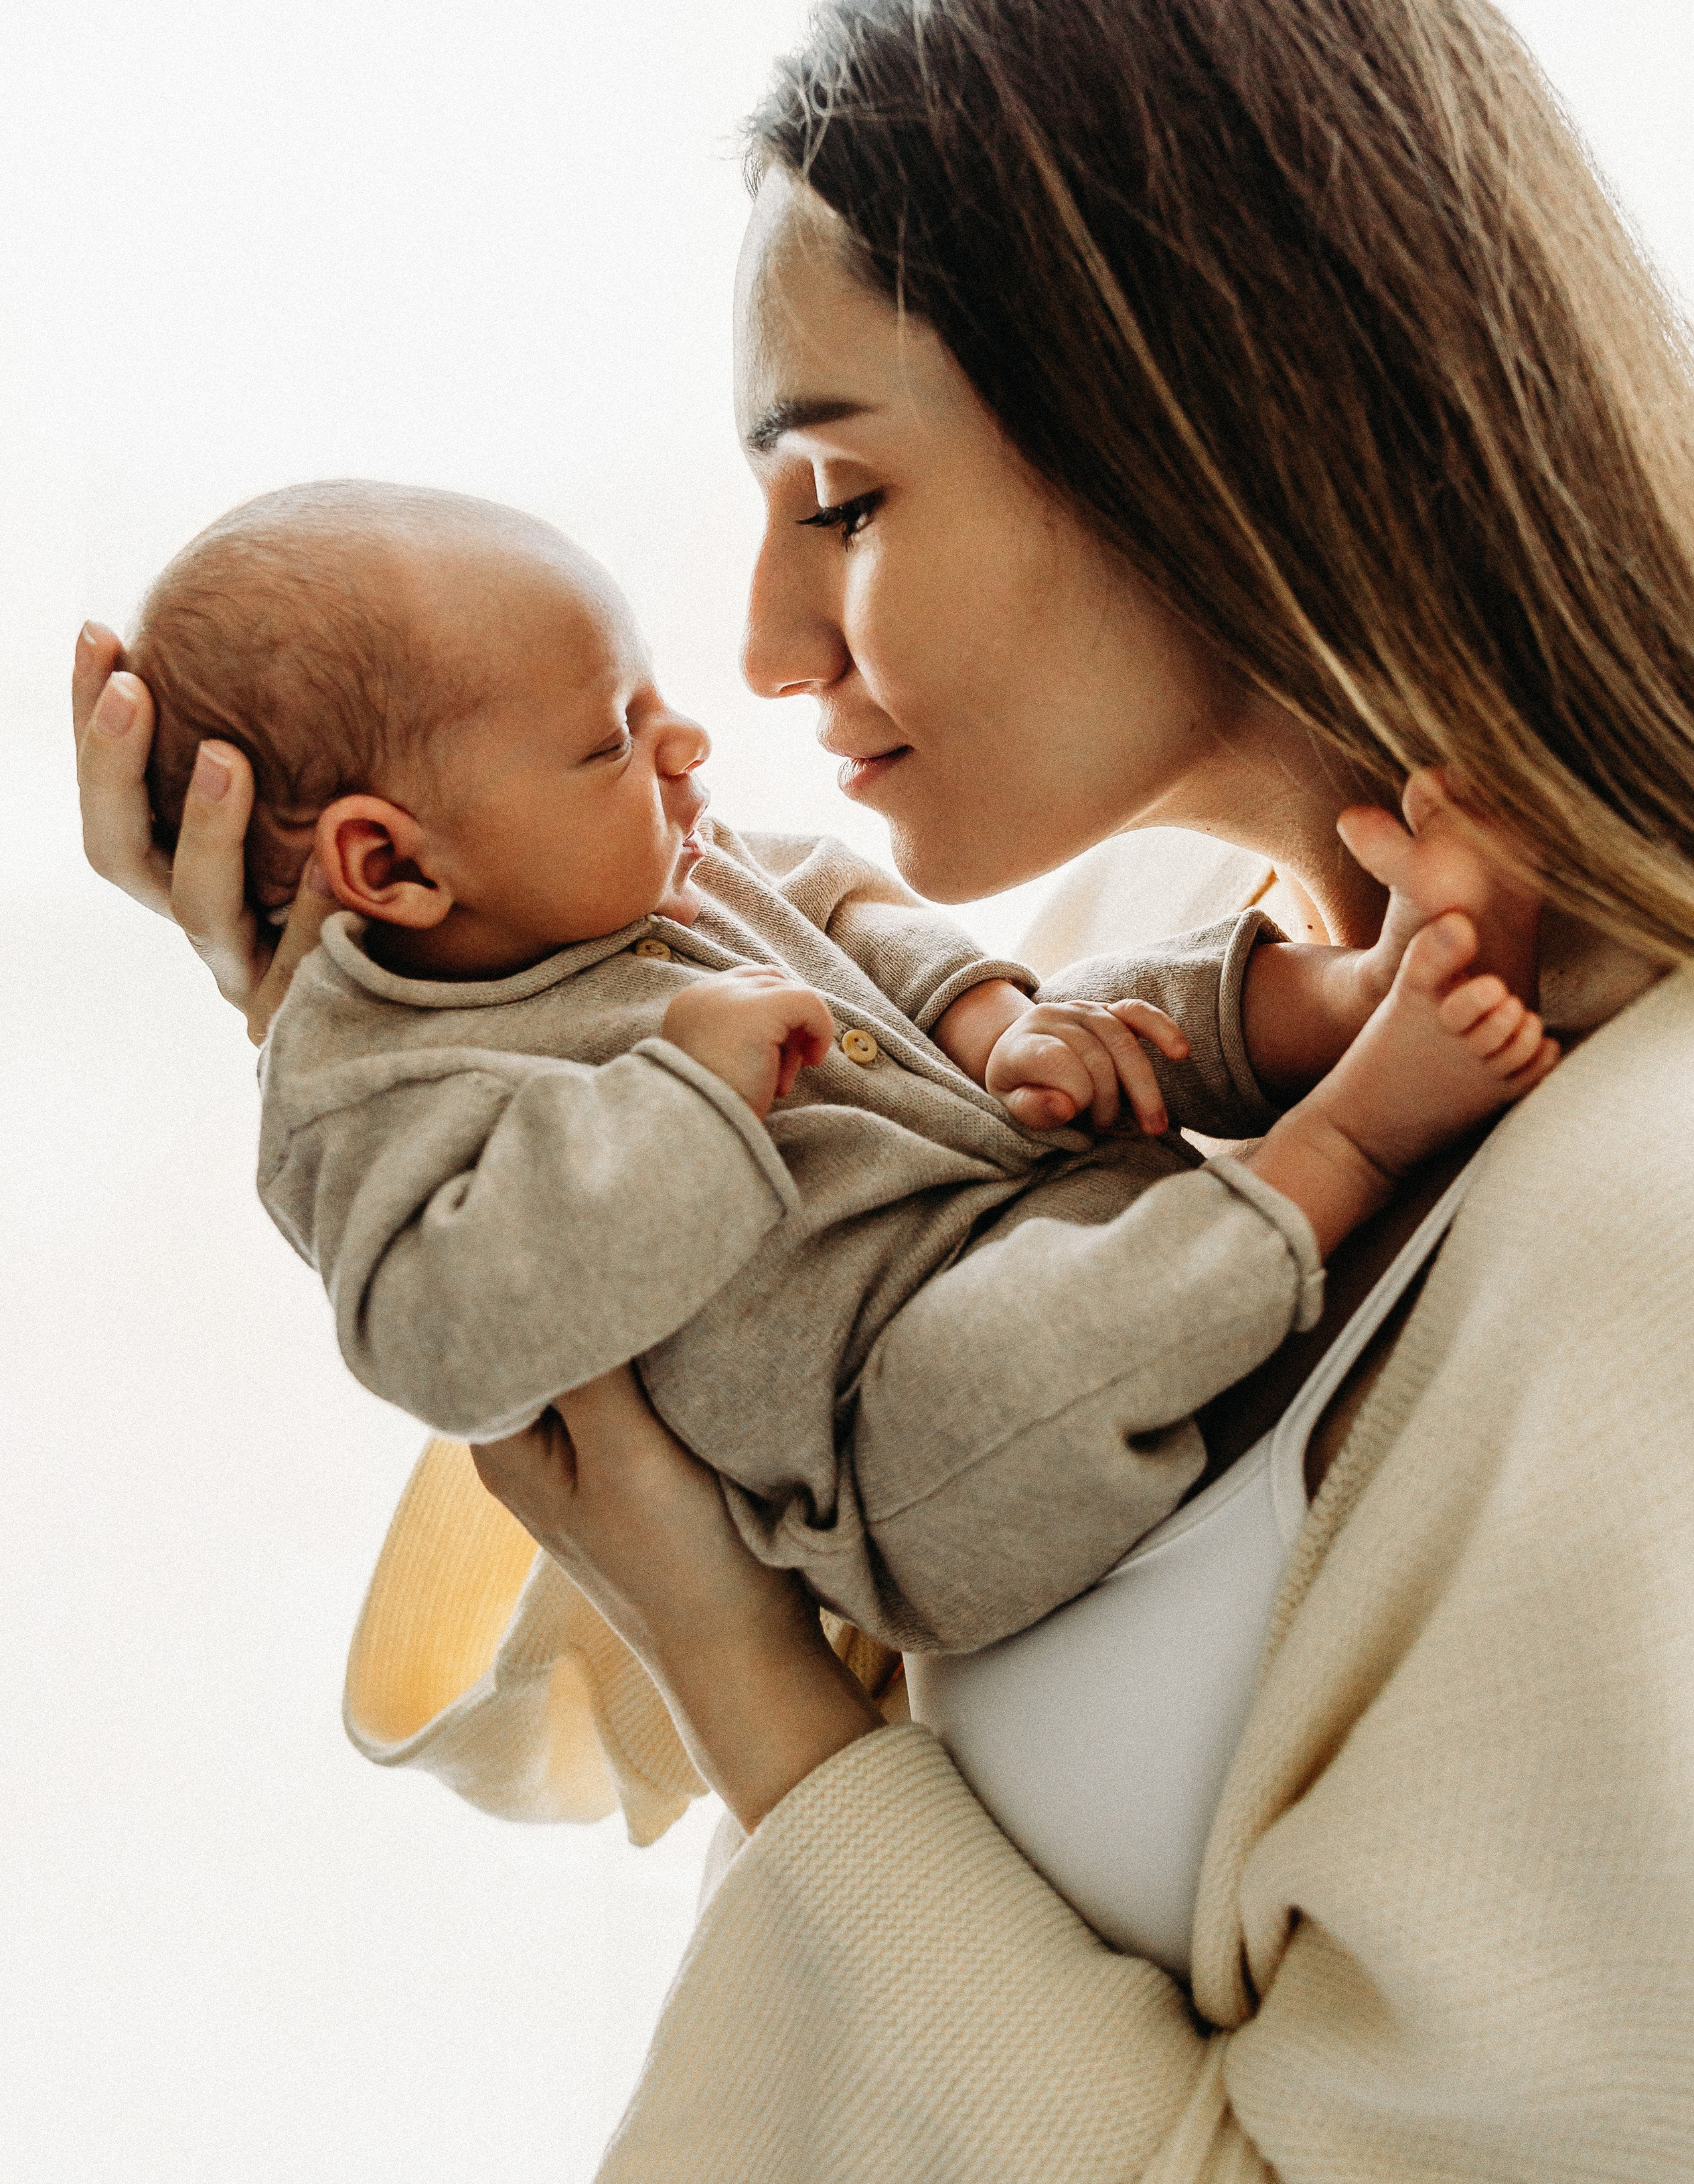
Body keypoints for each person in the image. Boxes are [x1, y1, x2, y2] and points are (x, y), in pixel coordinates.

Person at [74, 0, 1694, 2179]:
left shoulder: (1646, 1260)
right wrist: (434, 1021)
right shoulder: (1133, 937)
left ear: (1203, 422)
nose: (757, 650)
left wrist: (740, 1674)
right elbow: (820, 1432)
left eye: (840, 496)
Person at [126, 478, 1549, 1655]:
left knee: (1106, 1002)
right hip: (913, 1435)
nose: (683, 741)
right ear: (391, 863)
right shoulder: (383, 1091)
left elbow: (856, 908)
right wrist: (684, 1097)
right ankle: (1355, 1137)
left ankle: (1367, 990)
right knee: (994, 1369)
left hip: (1033, 1165)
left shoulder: (675, 867)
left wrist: (1000, 1027)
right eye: (609, 736)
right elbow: (439, 1340)